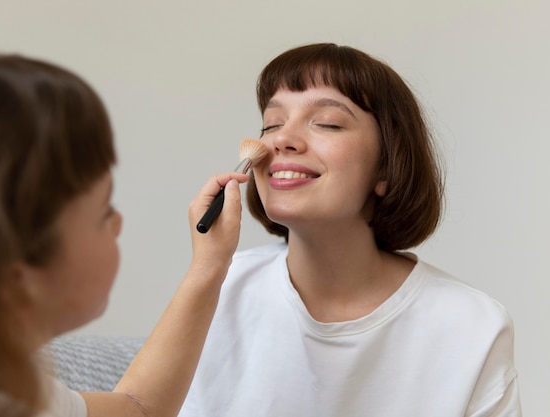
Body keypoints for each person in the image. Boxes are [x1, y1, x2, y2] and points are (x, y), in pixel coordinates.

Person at [178, 43, 521, 416]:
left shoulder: (472, 325)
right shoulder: (221, 287)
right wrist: (205, 273)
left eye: (326, 122)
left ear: (386, 169)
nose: (279, 139)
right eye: (271, 124)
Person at [0, 52, 249, 417]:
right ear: (19, 271)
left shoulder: (1, 386)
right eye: (104, 212)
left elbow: (139, 409)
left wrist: (208, 264)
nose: (118, 224)